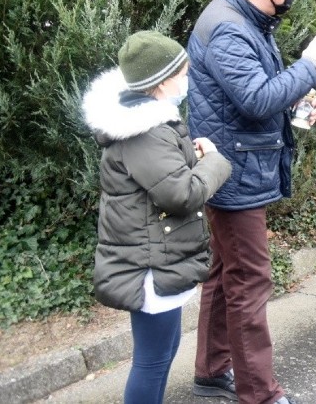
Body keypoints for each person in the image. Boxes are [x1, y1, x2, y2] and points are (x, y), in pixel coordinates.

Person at [187, 0, 316, 404]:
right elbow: (253, 99)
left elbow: (255, 92)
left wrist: (293, 99)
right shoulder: (230, 29)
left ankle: (212, 370)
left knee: (224, 271)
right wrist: (308, 67)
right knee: (249, 278)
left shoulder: (244, 18)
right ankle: (259, 393)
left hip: (235, 161)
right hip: (236, 171)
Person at [82, 31, 232, 404]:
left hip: (157, 258)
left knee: (163, 353)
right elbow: (181, 194)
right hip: (149, 265)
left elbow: (163, 180)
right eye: (183, 73)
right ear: (163, 81)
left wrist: (188, 159)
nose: (188, 78)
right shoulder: (145, 132)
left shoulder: (148, 124)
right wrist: (214, 160)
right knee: (151, 361)